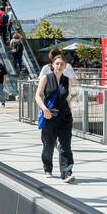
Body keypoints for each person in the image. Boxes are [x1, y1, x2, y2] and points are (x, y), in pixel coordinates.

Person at [35, 52, 74, 182]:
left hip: (64, 117)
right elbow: (38, 95)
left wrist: (71, 111)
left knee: (65, 145)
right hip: (49, 116)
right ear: (52, 65)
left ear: (65, 66)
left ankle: (67, 172)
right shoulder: (46, 78)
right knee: (48, 144)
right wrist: (44, 109)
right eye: (57, 63)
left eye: (62, 64)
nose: (59, 66)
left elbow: (67, 97)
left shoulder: (67, 80)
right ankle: (47, 168)